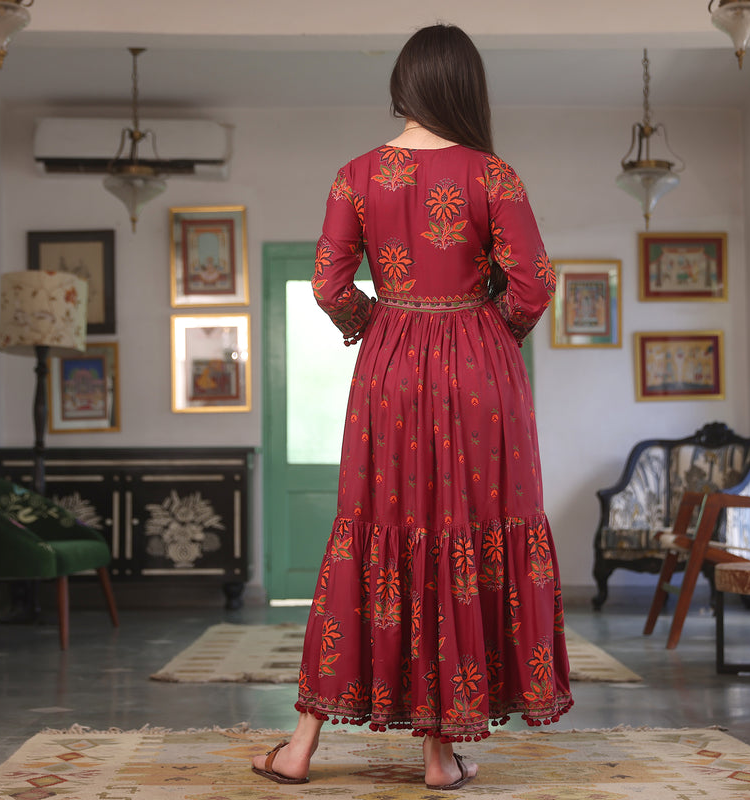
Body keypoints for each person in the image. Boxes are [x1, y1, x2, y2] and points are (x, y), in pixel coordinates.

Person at [252, 22, 573, 790]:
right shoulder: (494, 176)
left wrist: (380, 328)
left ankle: (299, 748)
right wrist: (493, 334)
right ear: (466, 88)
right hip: (479, 373)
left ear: (403, 84)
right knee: (460, 531)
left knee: (379, 532)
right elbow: (532, 282)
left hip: (390, 372)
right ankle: (438, 755)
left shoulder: (355, 175)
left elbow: (328, 285)